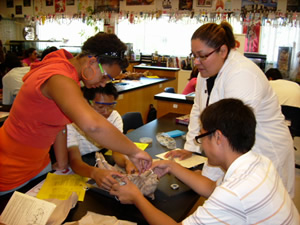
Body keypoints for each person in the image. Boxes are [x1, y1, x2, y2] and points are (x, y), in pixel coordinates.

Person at [0, 32, 152, 195]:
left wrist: (63, 163)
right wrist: (134, 151)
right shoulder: (58, 77)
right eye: (105, 77)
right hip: (11, 167)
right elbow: (92, 126)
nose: (103, 83)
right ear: (92, 61)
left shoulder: (67, 71)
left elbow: (59, 125)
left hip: (38, 164)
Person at [111, 99, 299, 225]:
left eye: (202, 136)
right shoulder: (259, 162)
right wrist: (171, 166)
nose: (200, 144)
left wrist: (136, 197)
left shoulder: (233, 193)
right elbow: (211, 188)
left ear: (218, 137)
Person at [165, 22, 295, 198]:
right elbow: (199, 109)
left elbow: (229, 135)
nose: (196, 62)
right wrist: (191, 148)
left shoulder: (242, 75)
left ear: (223, 51)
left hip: (264, 148)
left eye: (202, 56)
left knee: (260, 203)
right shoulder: (207, 72)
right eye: (194, 55)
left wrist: (206, 178)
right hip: (234, 147)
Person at [66, 83, 137, 190]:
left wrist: (127, 162)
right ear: (86, 102)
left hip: (101, 158)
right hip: (83, 166)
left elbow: (116, 149)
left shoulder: (114, 117)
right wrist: (95, 173)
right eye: (100, 107)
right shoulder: (71, 123)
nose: (106, 112)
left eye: (111, 106)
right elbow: (75, 161)